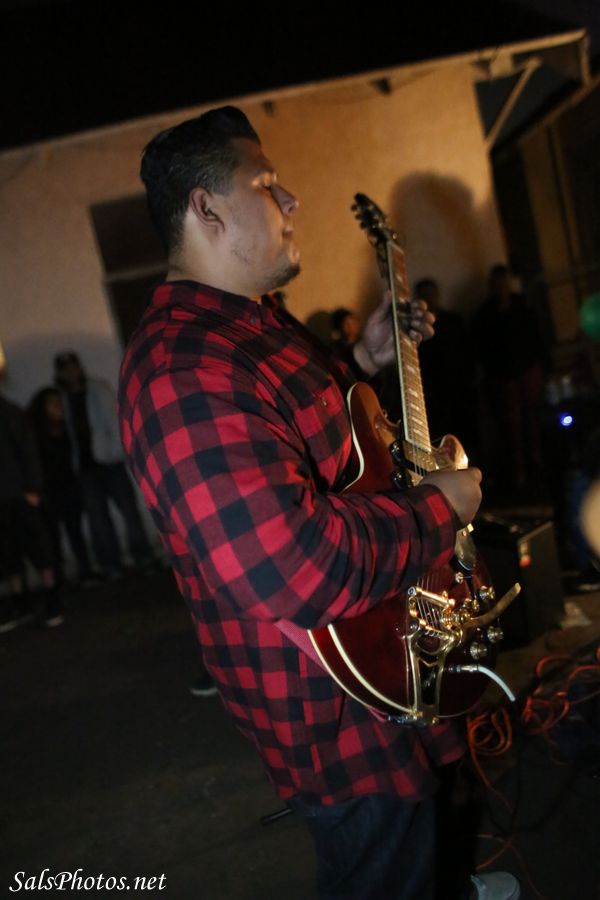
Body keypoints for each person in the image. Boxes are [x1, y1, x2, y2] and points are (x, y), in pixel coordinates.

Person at [118, 107, 518, 900]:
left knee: (428, 839)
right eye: (266, 184)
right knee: (384, 866)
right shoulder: (181, 370)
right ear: (206, 209)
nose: (290, 199)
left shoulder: (250, 322)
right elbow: (290, 567)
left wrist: (360, 359)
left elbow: (308, 433)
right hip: (331, 706)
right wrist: (441, 508)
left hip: (382, 644)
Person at [54, 351, 154, 579]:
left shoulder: (97, 390)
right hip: (86, 467)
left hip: (110, 462)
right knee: (98, 517)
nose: (70, 373)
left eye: (73, 367)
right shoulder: (63, 398)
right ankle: (111, 564)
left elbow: (113, 421)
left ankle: (143, 556)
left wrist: (114, 452)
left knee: (129, 511)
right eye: (65, 369)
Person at [0, 393, 64, 630]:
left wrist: (33, 488)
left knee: (39, 548)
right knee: (8, 554)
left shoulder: (10, 413)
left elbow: (28, 449)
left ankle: (52, 600)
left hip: (20, 495)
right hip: (5, 499)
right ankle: (21, 604)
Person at [28, 386, 97, 586]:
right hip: (49, 493)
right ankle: (58, 578)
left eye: (59, 402)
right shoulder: (36, 435)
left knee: (76, 532)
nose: (58, 406)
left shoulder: (65, 429)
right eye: (53, 403)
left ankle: (85, 571)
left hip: (69, 489)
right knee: (52, 538)